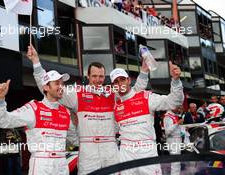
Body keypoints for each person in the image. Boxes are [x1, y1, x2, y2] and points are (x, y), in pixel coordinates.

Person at [27, 44, 149, 174]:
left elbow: (135, 92)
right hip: (87, 150)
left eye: (101, 76)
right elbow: (47, 88)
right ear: (88, 76)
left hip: (110, 149)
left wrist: (144, 72)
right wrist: (36, 62)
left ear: (105, 77)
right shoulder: (76, 93)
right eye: (94, 76)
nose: (98, 80)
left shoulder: (113, 92)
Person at [0, 70, 77, 175]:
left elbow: (74, 139)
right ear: (46, 87)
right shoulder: (33, 108)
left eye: (62, 84)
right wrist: (0, 100)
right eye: (56, 83)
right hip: (42, 164)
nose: (61, 87)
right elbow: (2, 120)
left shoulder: (66, 112)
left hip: (62, 164)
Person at [111, 61, 184, 175]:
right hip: (126, 152)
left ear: (128, 80)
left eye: (122, 79)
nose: (120, 83)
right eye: (116, 82)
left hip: (146, 150)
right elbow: (113, 130)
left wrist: (175, 81)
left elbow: (174, 102)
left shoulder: (146, 97)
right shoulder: (115, 106)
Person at [164, 106, 184, 175]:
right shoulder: (168, 116)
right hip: (173, 140)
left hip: (177, 139)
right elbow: (167, 131)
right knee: (175, 162)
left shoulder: (173, 115)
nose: (178, 109)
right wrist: (177, 123)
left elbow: (176, 128)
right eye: (177, 108)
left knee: (177, 162)